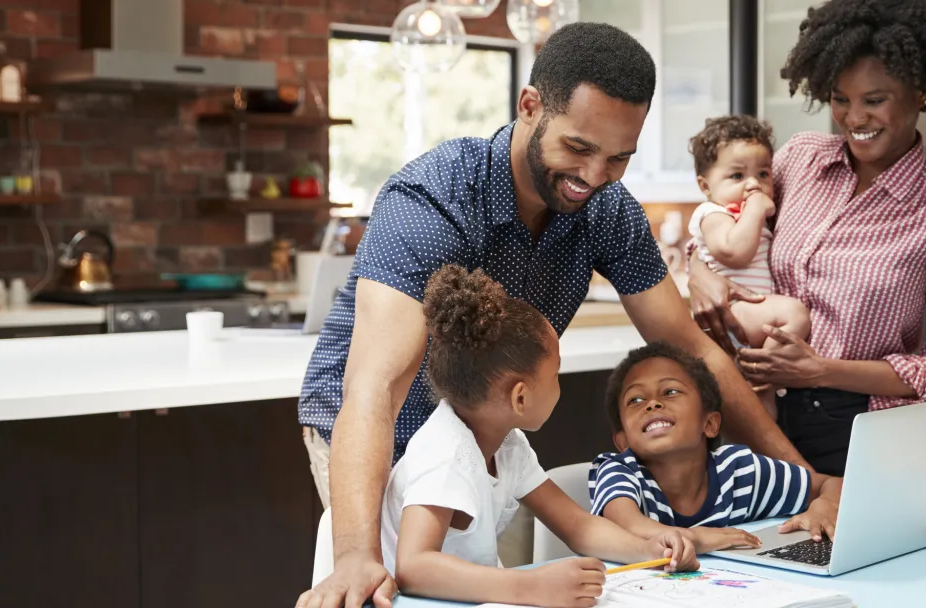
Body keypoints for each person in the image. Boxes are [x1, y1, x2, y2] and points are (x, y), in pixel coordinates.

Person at [295, 22, 804, 608]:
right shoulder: (435, 198)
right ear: (530, 106)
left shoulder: (607, 211)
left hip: (484, 435)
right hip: (375, 432)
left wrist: (808, 484)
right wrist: (355, 556)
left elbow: (690, 348)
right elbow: (376, 387)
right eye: (579, 148)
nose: (594, 176)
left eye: (618, 158)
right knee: (382, 584)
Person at [688, 0, 926, 477]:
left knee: (836, 528)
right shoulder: (800, 159)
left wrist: (821, 369)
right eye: (840, 99)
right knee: (753, 526)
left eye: (874, 100)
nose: (853, 118)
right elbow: (729, 224)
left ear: (921, 92)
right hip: (754, 401)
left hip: (852, 422)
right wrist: (698, 271)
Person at [377, 265, 698, 607]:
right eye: (555, 373)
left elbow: (578, 526)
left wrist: (648, 550)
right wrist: (530, 586)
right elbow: (414, 567)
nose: (559, 384)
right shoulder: (445, 451)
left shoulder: (507, 445)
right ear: (520, 398)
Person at [589, 342, 843, 548]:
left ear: (709, 423)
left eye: (670, 392)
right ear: (623, 441)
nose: (652, 404)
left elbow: (834, 484)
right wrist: (695, 538)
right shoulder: (619, 471)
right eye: (635, 399)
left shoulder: (740, 471)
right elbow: (628, 526)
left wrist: (824, 505)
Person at [684, 116, 812, 419]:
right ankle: (761, 368)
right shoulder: (713, 213)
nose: (753, 184)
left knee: (761, 413)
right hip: (731, 310)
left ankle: (760, 391)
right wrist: (756, 208)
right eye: (737, 175)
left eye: (763, 173)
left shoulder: (747, 217)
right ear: (705, 186)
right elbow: (733, 252)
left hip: (749, 313)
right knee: (795, 313)